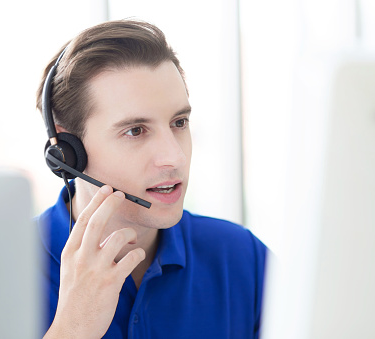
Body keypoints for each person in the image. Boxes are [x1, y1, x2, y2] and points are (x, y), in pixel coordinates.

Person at [35, 19, 267, 339]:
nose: (175, 157)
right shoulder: (2, 267)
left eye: (179, 122)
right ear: (67, 151)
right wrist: (72, 329)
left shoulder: (242, 258)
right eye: (135, 131)